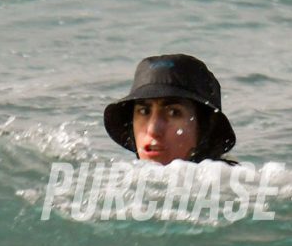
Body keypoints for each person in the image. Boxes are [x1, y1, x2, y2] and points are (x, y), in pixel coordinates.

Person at [102, 54, 239, 165]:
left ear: (206, 128)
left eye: (173, 113)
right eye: (144, 111)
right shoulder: (118, 182)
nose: (153, 130)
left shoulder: (230, 183)